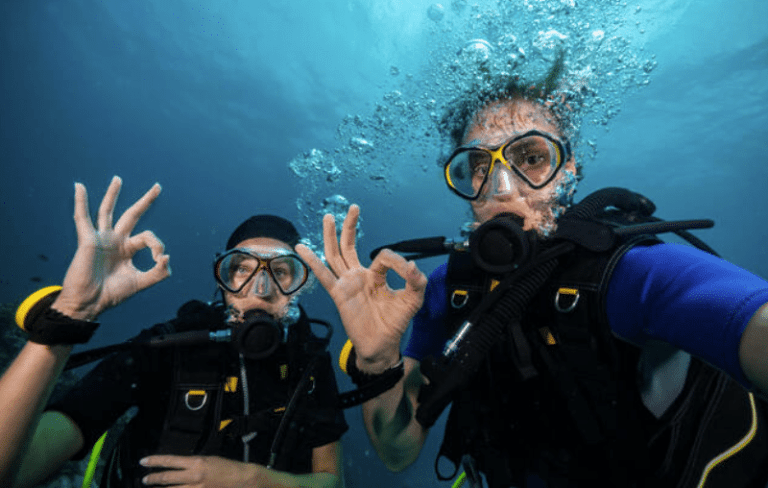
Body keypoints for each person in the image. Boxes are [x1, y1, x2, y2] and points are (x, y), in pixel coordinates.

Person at [294, 66, 768, 488]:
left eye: (532, 159)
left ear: (569, 169)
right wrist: (378, 364)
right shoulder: (445, 291)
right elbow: (398, 453)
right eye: (478, 167)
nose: (502, 190)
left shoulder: (626, 272)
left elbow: (752, 321)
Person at [0, 176, 347, 488]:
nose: (260, 288)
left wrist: (255, 481)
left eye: (282, 272)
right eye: (241, 268)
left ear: (301, 286)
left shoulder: (310, 362)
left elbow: (332, 482)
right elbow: (10, 473)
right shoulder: (168, 345)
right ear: (223, 281)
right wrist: (72, 315)